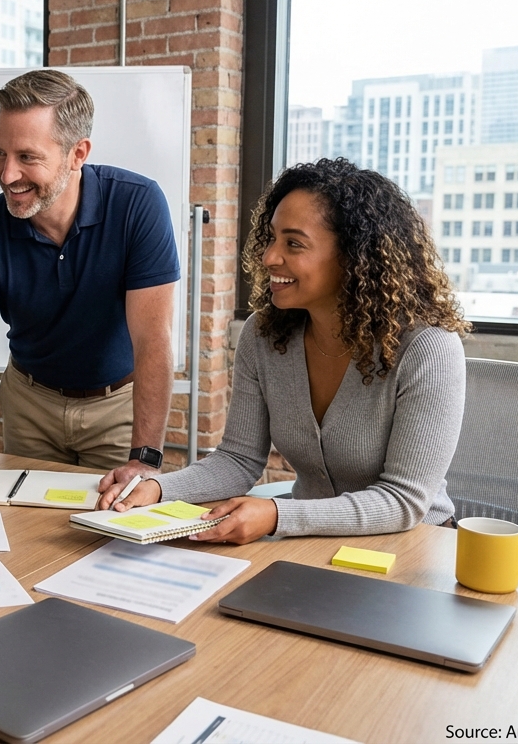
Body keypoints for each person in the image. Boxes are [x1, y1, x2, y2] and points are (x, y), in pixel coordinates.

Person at [107, 158, 470, 544]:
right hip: (310, 545)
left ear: (354, 257)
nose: (269, 257)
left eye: (293, 243)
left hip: (413, 547)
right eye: (273, 238)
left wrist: (278, 514)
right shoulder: (263, 335)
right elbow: (239, 460)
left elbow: (404, 501)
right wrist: (159, 489)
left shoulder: (428, 348)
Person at [0, 70, 179, 507]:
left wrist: (145, 457)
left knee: (112, 528)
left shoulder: (137, 205)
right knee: (25, 531)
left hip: (117, 405)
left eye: (27, 157)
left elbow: (153, 342)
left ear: (78, 153)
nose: (7, 174)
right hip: (30, 404)